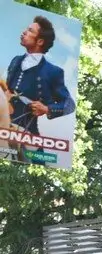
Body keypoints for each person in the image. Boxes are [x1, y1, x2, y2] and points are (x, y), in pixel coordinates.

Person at [4, 15, 76, 164]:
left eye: (30, 30)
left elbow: (69, 104)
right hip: (4, 127)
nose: (24, 32)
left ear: (40, 41)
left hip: (28, 135)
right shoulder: (15, 60)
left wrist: (46, 108)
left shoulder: (54, 72)